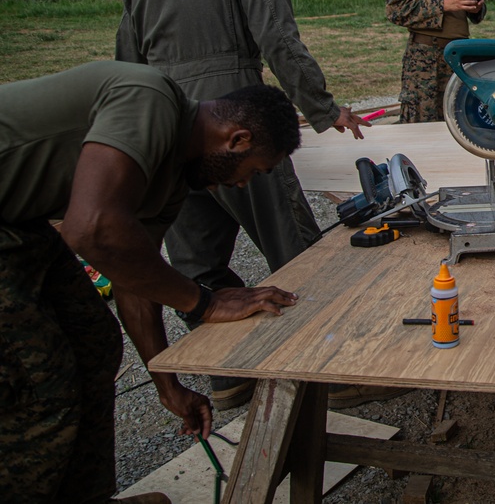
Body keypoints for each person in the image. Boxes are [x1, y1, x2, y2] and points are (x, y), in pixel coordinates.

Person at [115, 0, 384, 410]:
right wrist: (321, 107)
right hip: (233, 114)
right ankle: (328, 370)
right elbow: (278, 38)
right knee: (295, 245)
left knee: (194, 259)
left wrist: (143, 138)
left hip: (165, 124)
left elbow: (126, 62)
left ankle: (229, 377)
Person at [0, 61, 300, 504]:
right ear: (237, 140)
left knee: (96, 343)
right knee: (41, 384)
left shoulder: (172, 180)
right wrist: (204, 302)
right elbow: (90, 229)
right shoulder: (151, 97)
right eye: (252, 172)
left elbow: (134, 277)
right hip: (12, 223)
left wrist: (167, 383)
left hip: (17, 222)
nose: (240, 185)